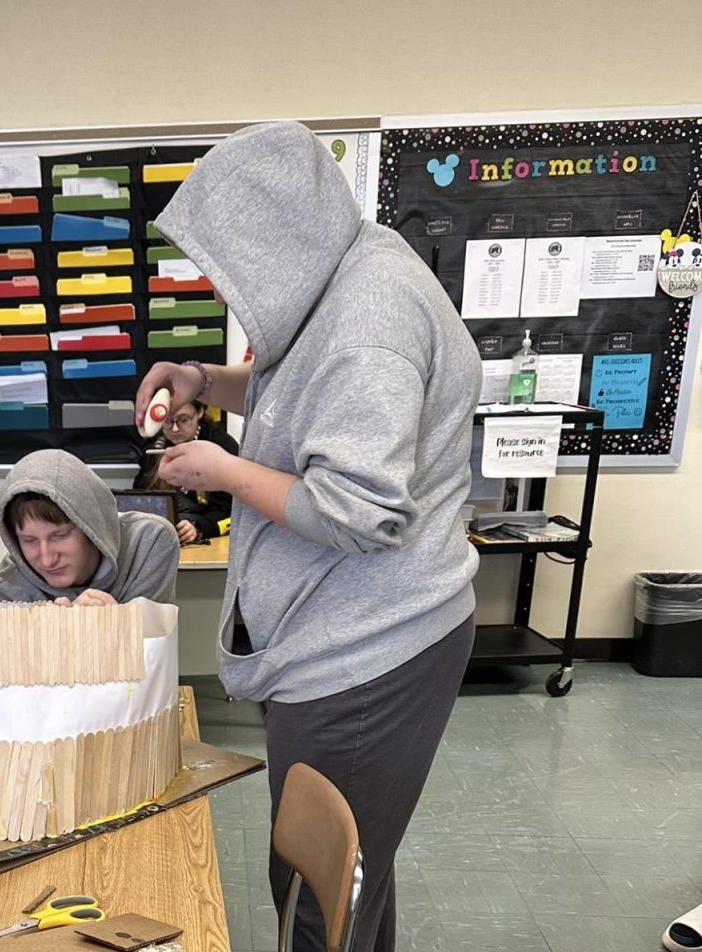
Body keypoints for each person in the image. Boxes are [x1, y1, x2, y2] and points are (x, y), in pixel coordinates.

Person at [134, 121, 480, 952]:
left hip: (368, 646)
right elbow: (309, 392)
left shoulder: (372, 319)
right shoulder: (351, 266)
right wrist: (205, 381)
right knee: (348, 873)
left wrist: (219, 471)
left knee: (322, 888)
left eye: (228, 266)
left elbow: (358, 510)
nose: (223, 287)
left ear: (276, 237)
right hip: (344, 632)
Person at [0, 448, 178, 606]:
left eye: (60, 535)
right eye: (29, 540)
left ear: (90, 525)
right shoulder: (1, 596)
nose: (48, 560)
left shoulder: (150, 542)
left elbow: (152, 648)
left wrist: (118, 623)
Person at [135, 399, 239, 544]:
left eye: (183, 420)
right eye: (167, 421)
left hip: (204, 535)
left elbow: (234, 509)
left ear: (200, 412)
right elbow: (140, 498)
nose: (175, 428)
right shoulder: (153, 450)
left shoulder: (222, 447)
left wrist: (199, 528)